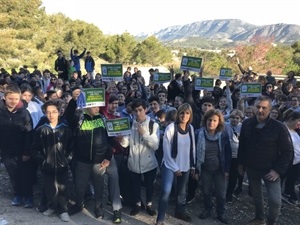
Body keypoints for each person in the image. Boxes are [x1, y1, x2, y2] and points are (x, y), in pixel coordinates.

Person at [238, 96, 293, 225]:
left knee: (275, 200)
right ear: (253, 108)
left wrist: (277, 171)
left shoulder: (279, 127)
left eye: (264, 108)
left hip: (271, 169)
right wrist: (241, 163)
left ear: (270, 109)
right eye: (258, 107)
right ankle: (259, 218)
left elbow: (287, 151)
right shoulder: (247, 123)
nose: (260, 110)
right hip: (252, 168)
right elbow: (243, 146)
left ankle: (271, 222)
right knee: (257, 196)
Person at [64, 88, 116, 222]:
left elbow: (110, 141)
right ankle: (78, 204)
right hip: (82, 161)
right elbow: (68, 115)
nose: (97, 108)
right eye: (94, 105)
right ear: (87, 106)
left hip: (99, 161)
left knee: (99, 186)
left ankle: (99, 207)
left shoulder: (103, 119)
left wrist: (107, 158)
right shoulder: (79, 119)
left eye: (98, 105)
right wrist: (74, 101)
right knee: (80, 185)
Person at [31, 100, 73, 222]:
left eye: (54, 112)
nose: (51, 115)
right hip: (47, 166)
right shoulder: (41, 130)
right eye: (48, 112)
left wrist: (67, 160)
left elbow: (72, 147)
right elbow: (34, 148)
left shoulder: (65, 129)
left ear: (59, 113)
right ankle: (52, 206)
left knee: (63, 188)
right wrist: (43, 161)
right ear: (44, 113)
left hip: (62, 165)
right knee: (50, 188)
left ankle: (63, 210)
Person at [156, 103, 196, 225]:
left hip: (185, 164)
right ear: (178, 114)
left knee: (182, 191)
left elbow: (192, 148)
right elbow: (166, 151)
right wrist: (174, 168)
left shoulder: (191, 128)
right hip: (170, 164)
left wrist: (193, 165)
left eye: (187, 113)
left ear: (190, 115)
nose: (184, 116)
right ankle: (160, 219)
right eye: (182, 113)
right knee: (166, 191)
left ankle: (180, 211)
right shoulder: (171, 128)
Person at [120, 98, 160, 216]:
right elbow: (126, 143)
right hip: (133, 162)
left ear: (145, 109)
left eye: (140, 110)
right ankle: (137, 204)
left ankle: (149, 204)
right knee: (135, 185)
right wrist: (121, 139)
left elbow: (155, 145)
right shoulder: (130, 124)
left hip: (149, 162)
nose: (138, 113)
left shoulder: (153, 124)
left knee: (149, 186)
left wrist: (144, 134)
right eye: (135, 111)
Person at [0, 84, 34, 208]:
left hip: (22, 151)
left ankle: (29, 196)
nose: (13, 101)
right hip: (6, 151)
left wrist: (27, 152)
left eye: (16, 99)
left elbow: (29, 133)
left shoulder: (24, 113)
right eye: (10, 98)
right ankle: (18, 194)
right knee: (13, 174)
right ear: (5, 97)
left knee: (25, 174)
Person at [197, 109, 232, 224]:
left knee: (221, 193)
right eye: (209, 120)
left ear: (219, 122)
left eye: (214, 120)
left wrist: (227, 170)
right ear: (205, 120)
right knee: (206, 191)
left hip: (219, 169)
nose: (211, 123)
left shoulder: (223, 135)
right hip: (205, 168)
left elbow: (228, 153)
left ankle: (220, 213)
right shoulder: (199, 134)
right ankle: (208, 209)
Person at [281, 110, 300, 206]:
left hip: (295, 162)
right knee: (279, 181)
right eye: (299, 121)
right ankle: (276, 202)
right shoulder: (282, 129)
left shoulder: (295, 131)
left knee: (291, 180)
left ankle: (287, 194)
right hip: (284, 162)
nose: (299, 124)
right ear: (291, 119)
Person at [225, 109, 244, 203]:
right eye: (232, 117)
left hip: (237, 156)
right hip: (225, 154)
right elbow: (220, 118)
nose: (234, 120)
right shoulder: (225, 125)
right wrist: (228, 115)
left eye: (237, 118)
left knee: (233, 176)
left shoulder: (243, 127)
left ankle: (229, 194)